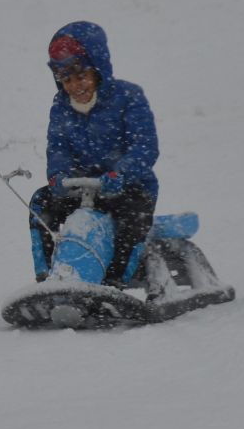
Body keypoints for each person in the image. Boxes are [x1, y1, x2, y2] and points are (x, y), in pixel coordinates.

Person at [29, 21, 159, 289]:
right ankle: (47, 278)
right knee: (41, 202)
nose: (76, 86)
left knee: (132, 214)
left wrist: (121, 173)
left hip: (126, 186)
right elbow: (58, 147)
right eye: (66, 80)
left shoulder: (128, 97)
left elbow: (144, 146)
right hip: (80, 189)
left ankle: (116, 280)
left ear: (98, 70)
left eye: (81, 76)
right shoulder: (61, 107)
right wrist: (58, 175)